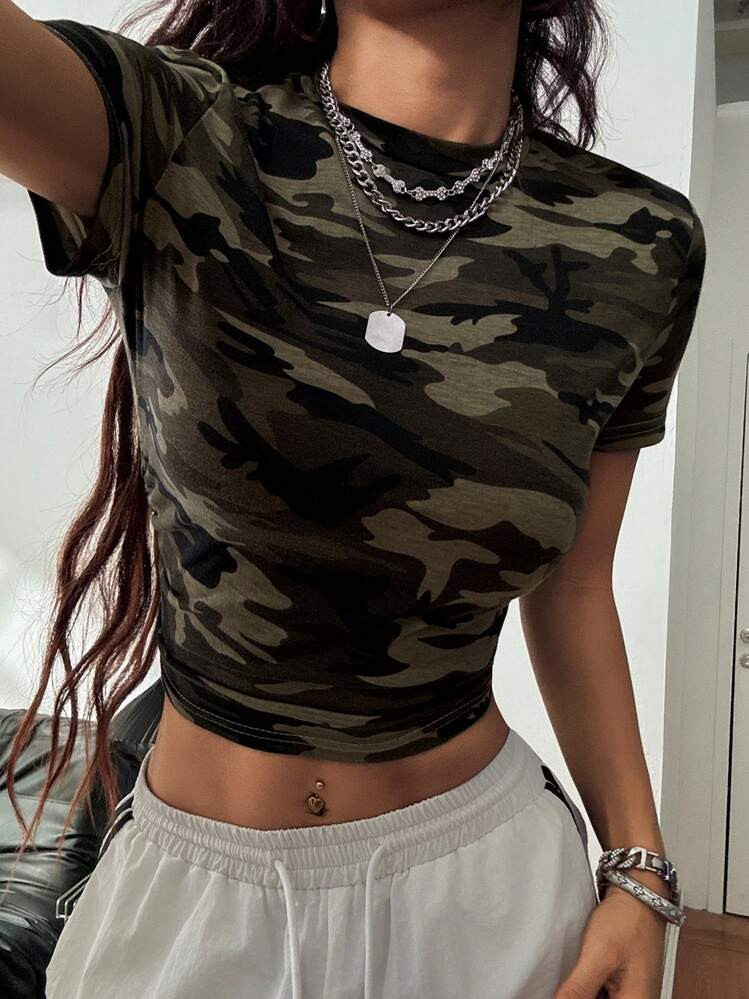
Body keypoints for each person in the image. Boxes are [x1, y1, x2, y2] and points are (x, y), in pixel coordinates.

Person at [0, 0, 705, 996]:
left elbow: (574, 588)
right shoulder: (176, 134)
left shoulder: (640, 244)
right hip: (197, 904)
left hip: (487, 894)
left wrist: (638, 868)